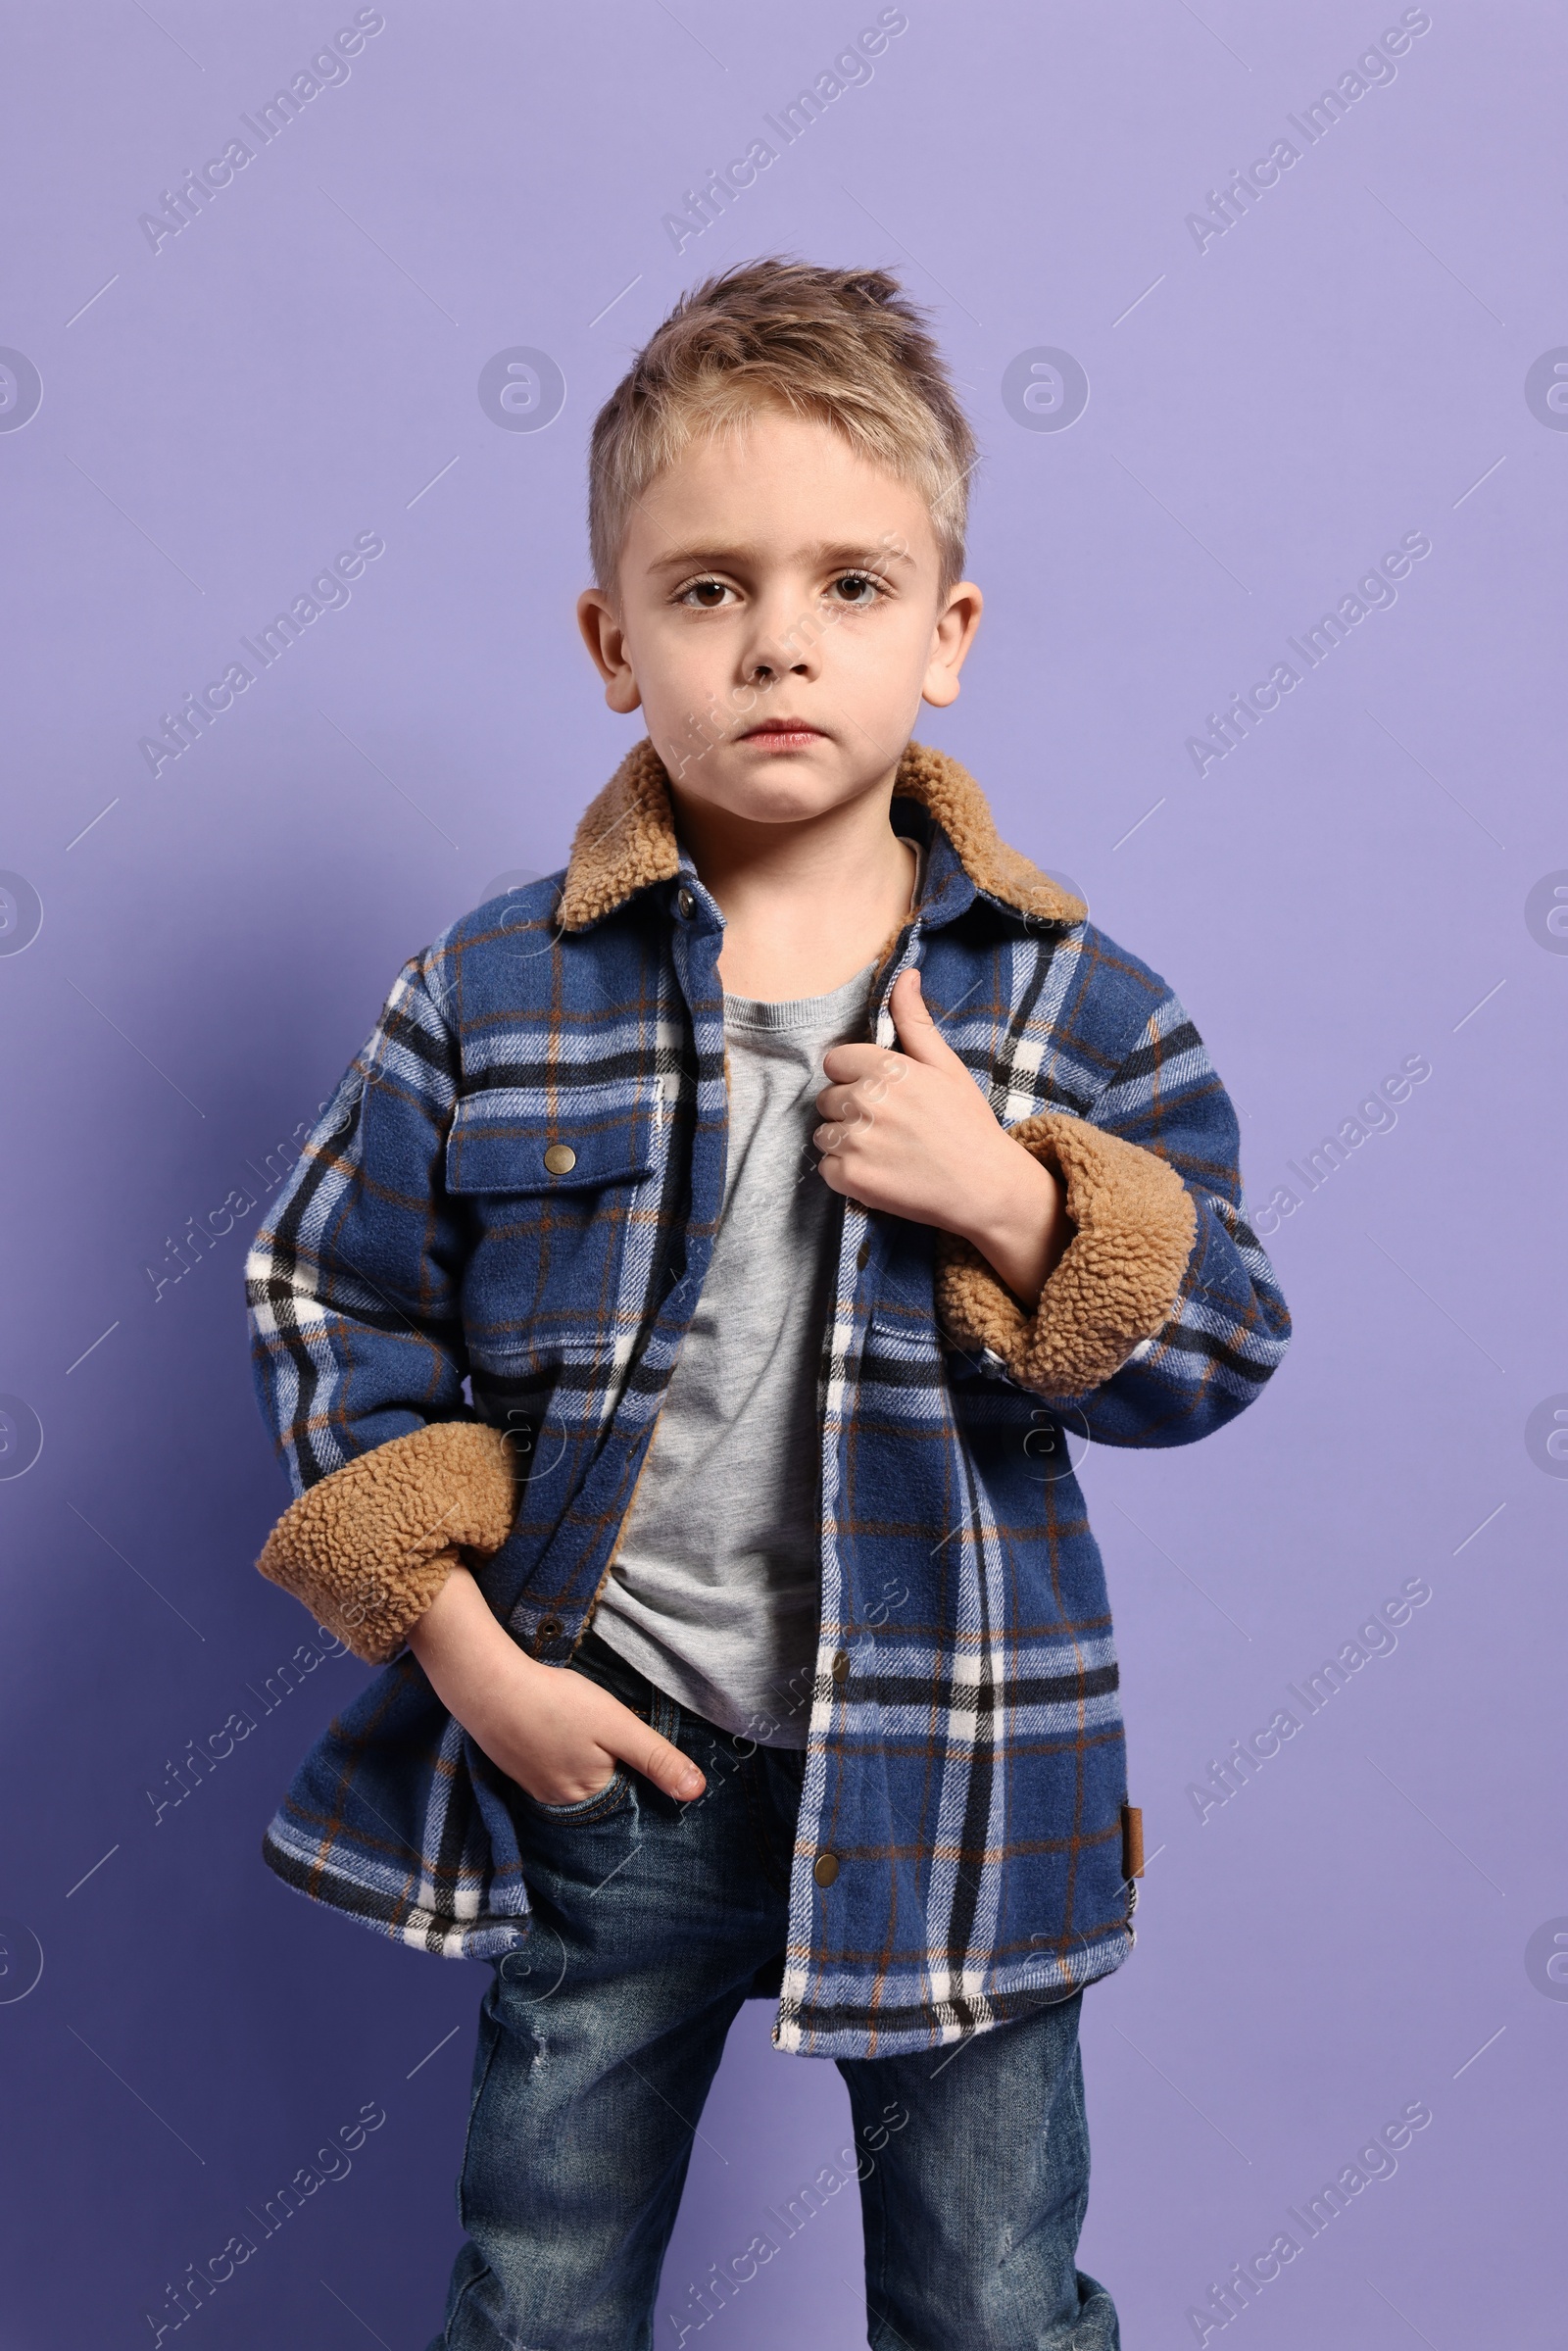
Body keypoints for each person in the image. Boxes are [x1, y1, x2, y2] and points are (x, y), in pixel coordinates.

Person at [244, 258, 1291, 2350]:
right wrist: (476, 1667)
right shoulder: (493, 988)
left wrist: (1004, 1194)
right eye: (707, 590)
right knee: (535, 2296)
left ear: (946, 635)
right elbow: (327, 1308)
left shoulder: (1072, 1003)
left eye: (848, 583)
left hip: (959, 1776)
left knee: (989, 2305)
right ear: (609, 642)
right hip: (611, 1754)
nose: (778, 640)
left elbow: (1218, 1348)